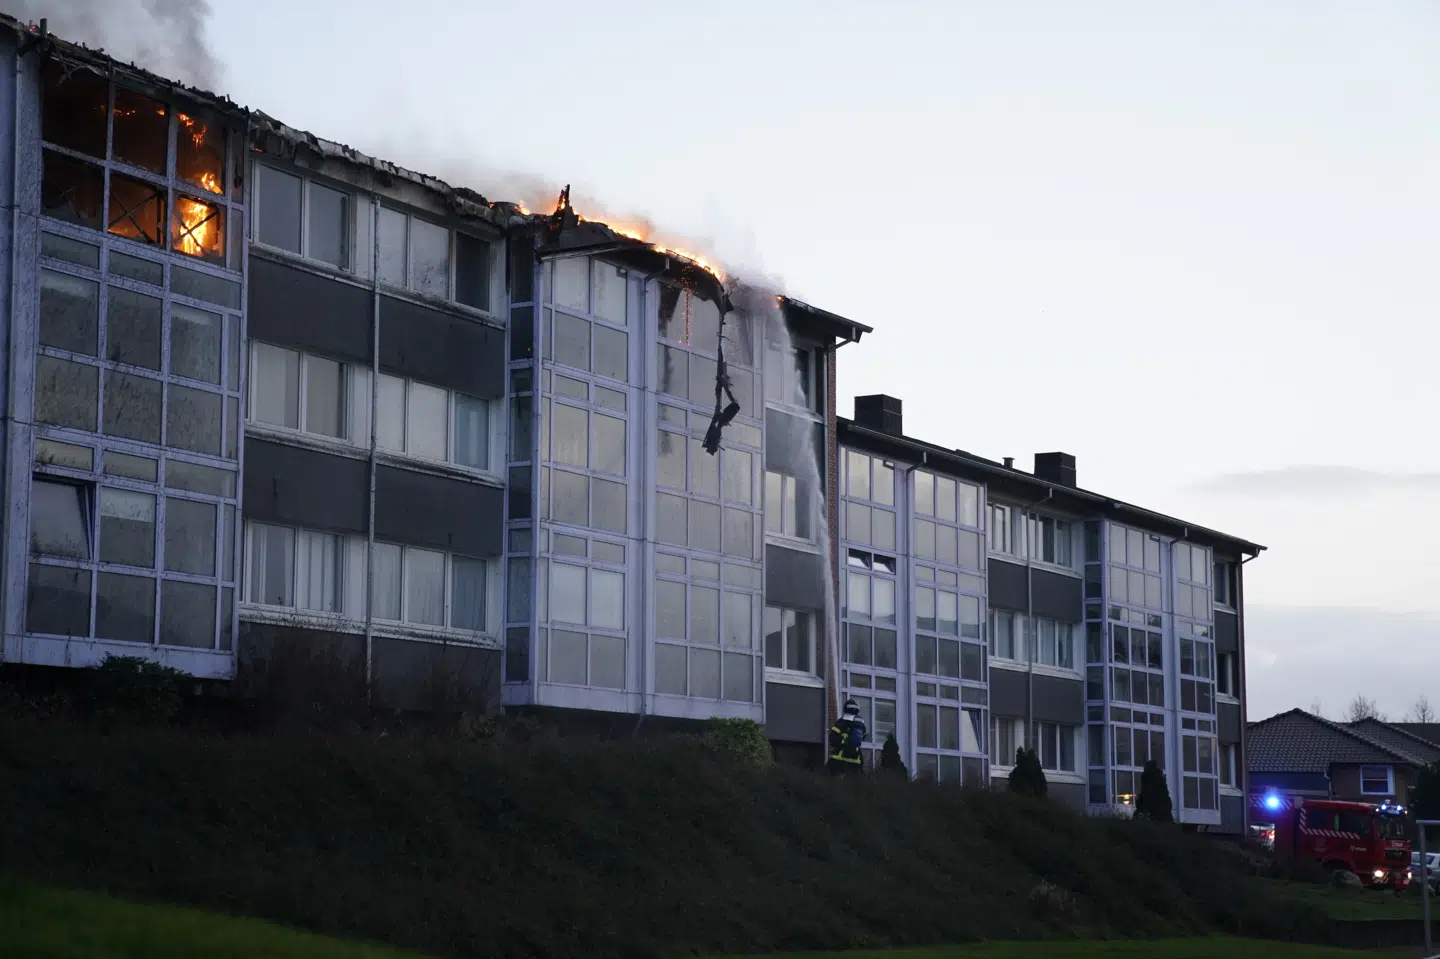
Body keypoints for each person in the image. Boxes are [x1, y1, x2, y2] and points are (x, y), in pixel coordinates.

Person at [827, 699, 867, 775]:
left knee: (826, 778)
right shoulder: (861, 725)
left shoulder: (841, 722)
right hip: (856, 760)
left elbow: (833, 739)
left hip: (839, 759)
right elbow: (864, 736)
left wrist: (843, 742)